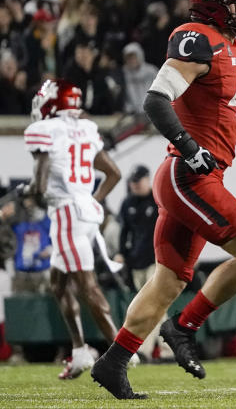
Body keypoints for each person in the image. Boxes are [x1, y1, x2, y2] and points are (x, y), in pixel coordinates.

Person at [91, 0, 236, 399]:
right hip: (189, 175)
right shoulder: (196, 37)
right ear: (214, 4)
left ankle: (113, 363)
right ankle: (184, 326)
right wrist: (189, 146)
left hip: (197, 175)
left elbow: (233, 114)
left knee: (168, 281)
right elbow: (155, 99)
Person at [22, 79, 124, 380]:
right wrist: (90, 199)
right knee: (58, 283)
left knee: (87, 285)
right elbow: (114, 174)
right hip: (86, 211)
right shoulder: (85, 129)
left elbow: (41, 191)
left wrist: (31, 191)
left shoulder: (46, 130)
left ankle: (122, 351)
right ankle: (80, 352)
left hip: (67, 211)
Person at [116, 165, 169, 361]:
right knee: (151, 307)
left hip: (156, 260)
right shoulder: (127, 203)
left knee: (154, 305)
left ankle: (150, 350)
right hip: (136, 261)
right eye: (133, 182)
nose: (136, 185)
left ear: (148, 180)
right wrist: (121, 253)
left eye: (139, 181)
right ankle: (160, 349)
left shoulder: (157, 200)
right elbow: (124, 231)